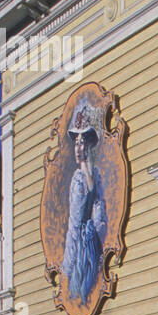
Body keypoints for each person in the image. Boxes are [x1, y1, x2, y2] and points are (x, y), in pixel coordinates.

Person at [60, 97, 108, 302]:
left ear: (89, 146)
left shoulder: (94, 175)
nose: (78, 148)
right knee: (79, 289)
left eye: (82, 142)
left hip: (91, 243)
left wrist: (96, 232)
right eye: (76, 143)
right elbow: (74, 221)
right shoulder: (77, 179)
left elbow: (99, 207)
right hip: (78, 247)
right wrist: (68, 263)